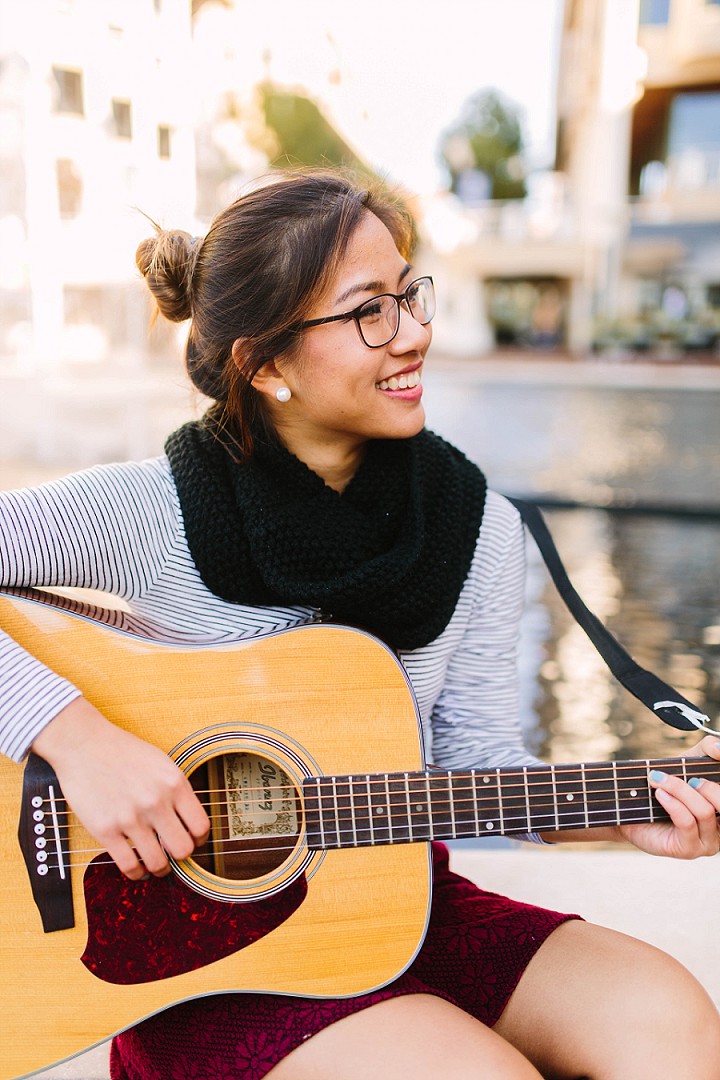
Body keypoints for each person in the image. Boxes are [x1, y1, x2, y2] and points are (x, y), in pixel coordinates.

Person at [1, 168, 719, 1080]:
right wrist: (74, 737)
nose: (416, 332)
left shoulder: (480, 527)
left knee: (672, 1024)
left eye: (409, 294)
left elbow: (474, 767)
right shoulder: (149, 513)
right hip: (199, 962)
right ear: (263, 365)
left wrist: (631, 815)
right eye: (368, 311)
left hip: (400, 907)